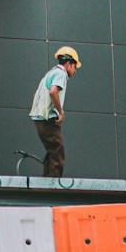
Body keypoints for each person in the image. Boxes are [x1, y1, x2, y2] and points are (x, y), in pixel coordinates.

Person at [28, 45, 80, 178]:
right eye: (75, 66)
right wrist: (60, 112)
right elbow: (53, 91)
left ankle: (47, 179)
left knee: (52, 149)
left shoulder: (49, 73)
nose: (75, 70)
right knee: (57, 150)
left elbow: (36, 95)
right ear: (68, 64)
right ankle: (54, 183)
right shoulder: (61, 73)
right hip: (48, 120)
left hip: (39, 119)